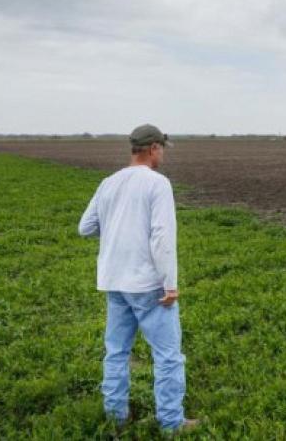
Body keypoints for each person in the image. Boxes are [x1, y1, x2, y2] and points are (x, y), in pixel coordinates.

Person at [78, 124, 198, 433]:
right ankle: (172, 423)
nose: (163, 156)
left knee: (116, 352)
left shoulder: (108, 182)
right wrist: (170, 283)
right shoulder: (157, 184)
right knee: (168, 356)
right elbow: (161, 237)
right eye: (162, 149)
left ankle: (114, 417)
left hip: (114, 282)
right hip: (148, 285)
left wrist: (118, 228)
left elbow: (86, 227)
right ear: (154, 148)